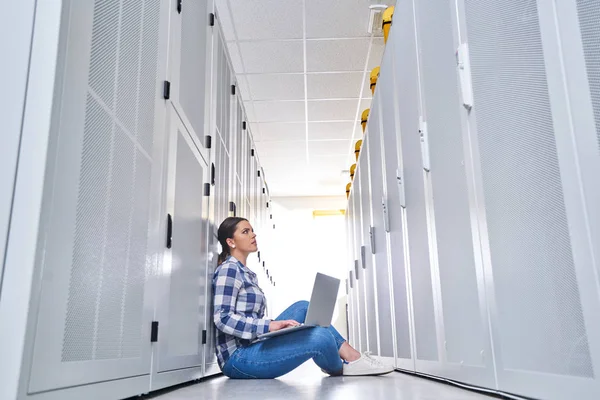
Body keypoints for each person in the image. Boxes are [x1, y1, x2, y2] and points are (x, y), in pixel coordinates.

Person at [213, 216, 395, 379]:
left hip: (254, 343)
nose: (253, 234)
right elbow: (222, 318)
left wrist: (272, 327)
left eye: (252, 230)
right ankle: (343, 366)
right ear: (231, 242)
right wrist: (269, 325)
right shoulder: (229, 269)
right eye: (246, 231)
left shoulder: (247, 273)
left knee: (303, 306)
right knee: (321, 337)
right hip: (238, 358)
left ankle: (354, 358)